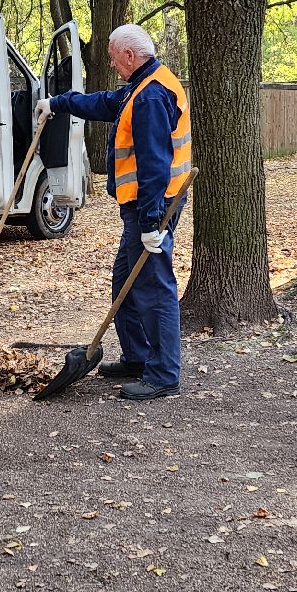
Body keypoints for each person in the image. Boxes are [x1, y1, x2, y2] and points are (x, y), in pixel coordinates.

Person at [38, 24, 192, 400]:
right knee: (124, 281)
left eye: (112, 57)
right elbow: (105, 102)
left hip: (153, 206)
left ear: (129, 55)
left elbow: (155, 165)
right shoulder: (141, 85)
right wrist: (58, 103)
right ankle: (138, 357)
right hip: (143, 207)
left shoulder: (150, 97)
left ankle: (163, 374)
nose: (111, 64)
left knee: (153, 287)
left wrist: (153, 222)